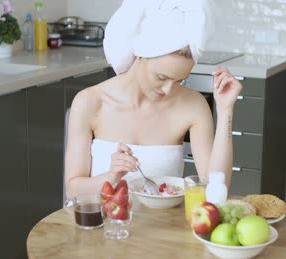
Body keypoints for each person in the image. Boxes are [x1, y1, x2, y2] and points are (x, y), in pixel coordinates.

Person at [64, 0, 242, 199]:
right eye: (161, 77)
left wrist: (226, 110)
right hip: (104, 225)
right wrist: (112, 176)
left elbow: (216, 188)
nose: (168, 89)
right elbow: (73, 189)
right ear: (140, 55)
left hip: (162, 226)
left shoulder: (193, 105)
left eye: (180, 81)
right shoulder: (90, 102)